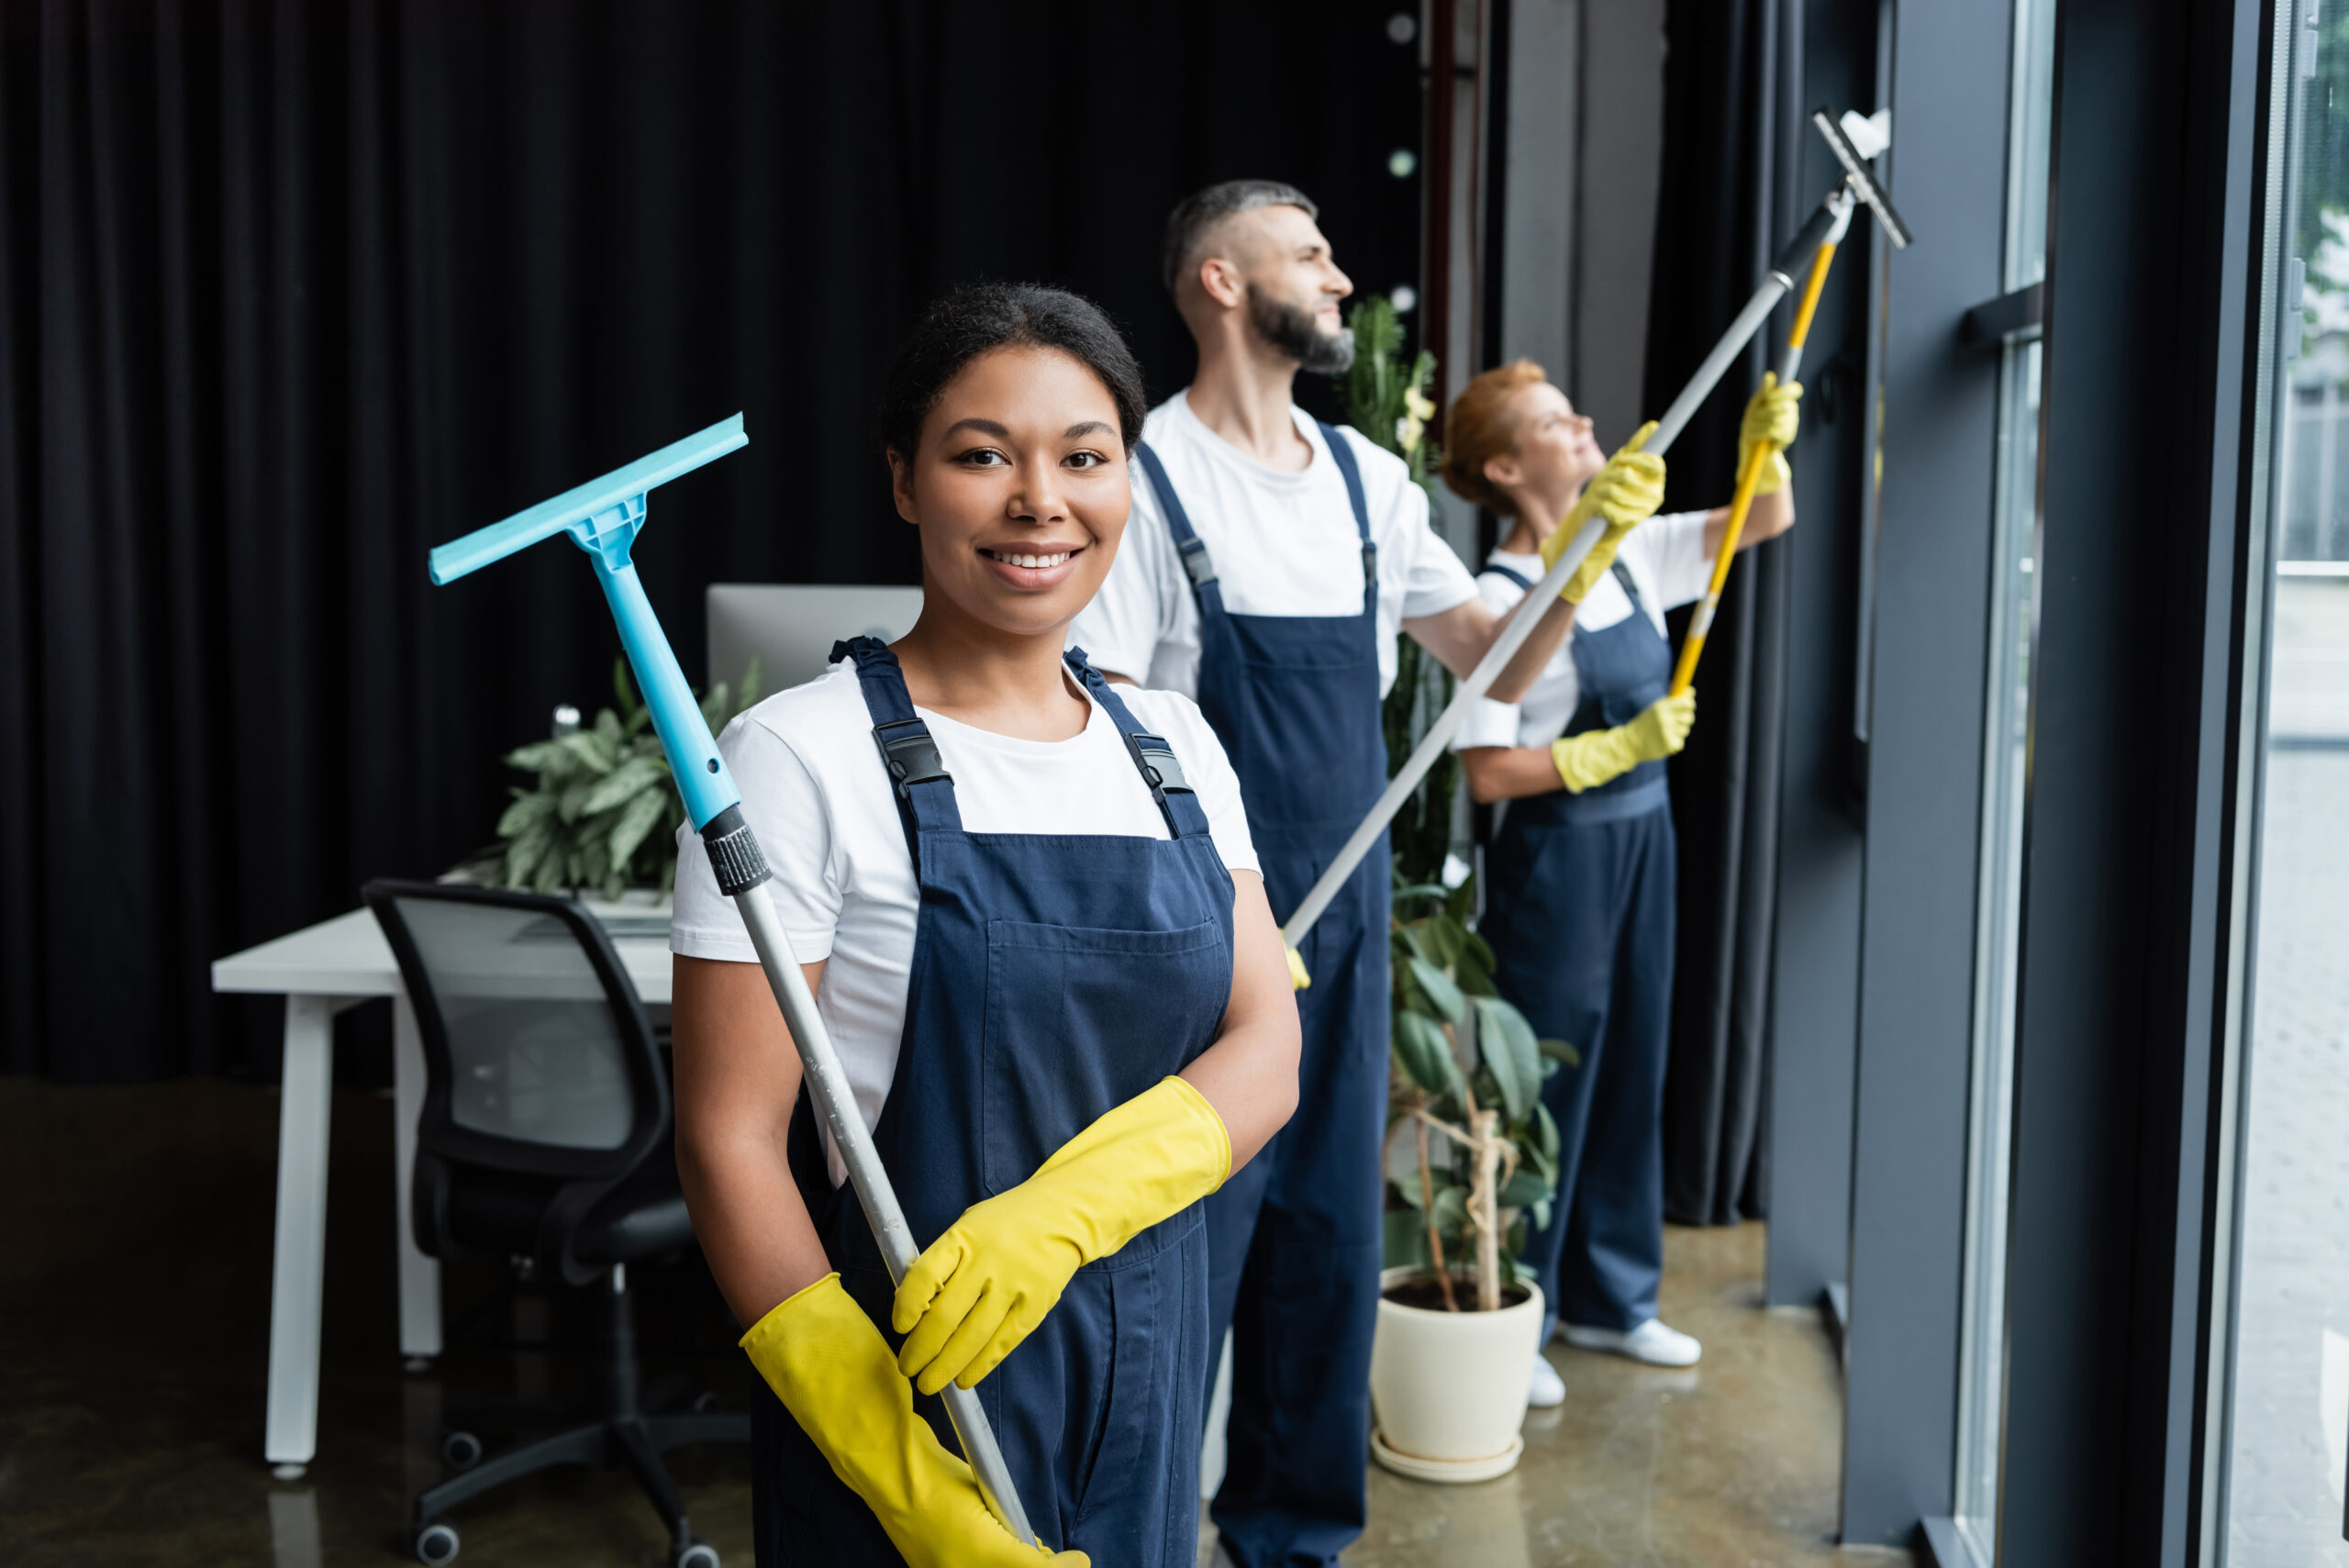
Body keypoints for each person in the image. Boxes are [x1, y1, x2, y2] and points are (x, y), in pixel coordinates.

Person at [1068, 180, 1664, 1567]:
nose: (1339, 280)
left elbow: (1497, 668)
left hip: (1350, 917)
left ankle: (1292, 1541)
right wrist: (1208, 918)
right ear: (1220, 281)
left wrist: (1582, 560)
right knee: (1186, 1243)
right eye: (1310, 254)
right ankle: (1137, 1536)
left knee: (1331, 1236)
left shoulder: (1365, 481)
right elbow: (1107, 727)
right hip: (1207, 928)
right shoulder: (1145, 477)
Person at [667, 284, 1303, 1568]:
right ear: (904, 481)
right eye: (981, 455)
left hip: (1151, 1365)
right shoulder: (796, 755)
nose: (1039, 501)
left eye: (1085, 456)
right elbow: (729, 1141)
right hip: (912, 1390)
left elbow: (1268, 1043)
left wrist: (1062, 1212)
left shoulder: (1172, 744)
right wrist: (913, 1492)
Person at [1442, 358, 1799, 1407]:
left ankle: (1613, 1297)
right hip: (1558, 851)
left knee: (1636, 1057)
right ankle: (1527, 1306)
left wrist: (1763, 449)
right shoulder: (1497, 599)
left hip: (1646, 838)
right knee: (1549, 1079)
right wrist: (1602, 753)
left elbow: (1761, 519)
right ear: (1506, 466)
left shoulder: (1631, 549)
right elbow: (1486, 770)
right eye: (1555, 421)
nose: (1585, 422)